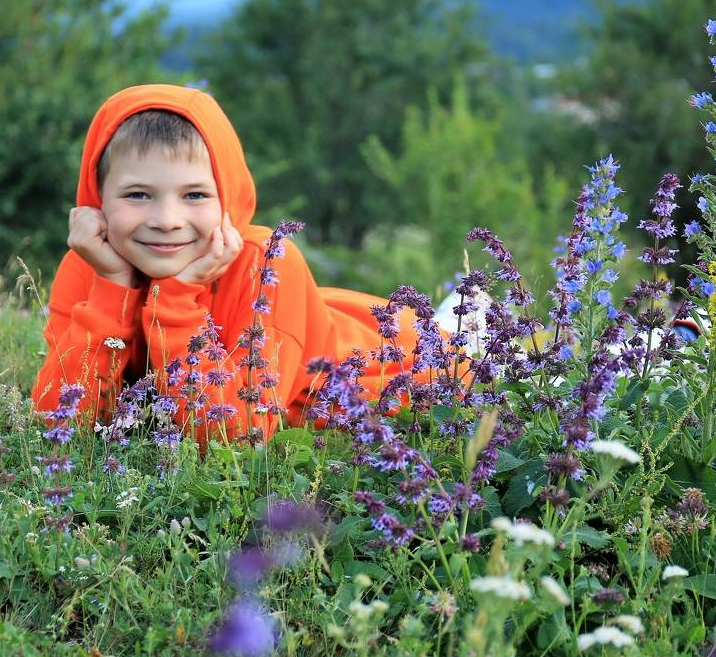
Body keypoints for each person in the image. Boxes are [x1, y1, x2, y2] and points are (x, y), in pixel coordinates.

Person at [30, 83, 458, 445]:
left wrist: (175, 299)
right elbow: (58, 420)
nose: (167, 220)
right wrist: (112, 288)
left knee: (459, 351)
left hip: (385, 364)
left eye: (195, 195)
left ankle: (460, 324)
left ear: (227, 199)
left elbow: (238, 434)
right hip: (306, 318)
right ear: (98, 198)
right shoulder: (93, 263)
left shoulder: (266, 264)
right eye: (137, 195)